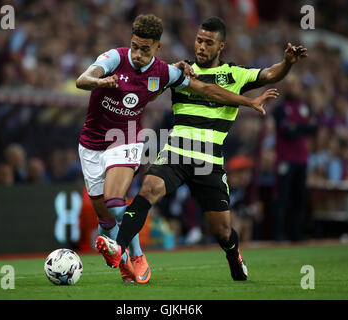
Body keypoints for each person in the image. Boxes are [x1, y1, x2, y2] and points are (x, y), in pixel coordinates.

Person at [95, 16, 307, 281]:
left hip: (209, 161)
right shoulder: (182, 72)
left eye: (209, 43)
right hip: (176, 151)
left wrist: (287, 62)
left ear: (221, 46)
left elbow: (269, 74)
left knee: (222, 232)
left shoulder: (235, 74)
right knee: (149, 189)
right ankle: (121, 250)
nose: (201, 47)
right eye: (199, 40)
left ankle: (234, 255)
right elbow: (151, 77)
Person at [272, 74, 317, 242]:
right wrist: (302, 127)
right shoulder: (280, 109)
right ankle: (278, 236)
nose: (294, 88)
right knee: (282, 197)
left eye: (296, 84)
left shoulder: (305, 107)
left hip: (301, 159)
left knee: (299, 197)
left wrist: (297, 126)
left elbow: (314, 128)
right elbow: (287, 133)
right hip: (285, 159)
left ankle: (296, 235)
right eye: (290, 85)